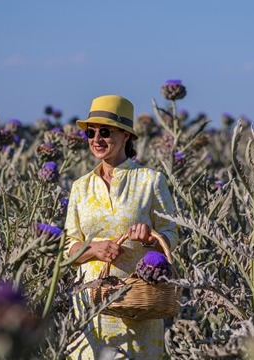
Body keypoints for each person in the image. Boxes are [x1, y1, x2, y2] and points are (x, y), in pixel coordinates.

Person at [64, 94, 178, 359]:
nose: (96, 139)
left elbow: (171, 233)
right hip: (90, 308)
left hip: (138, 305)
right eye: (90, 133)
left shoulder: (150, 181)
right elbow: (69, 250)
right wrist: (93, 249)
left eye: (105, 131)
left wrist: (151, 239)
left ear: (126, 135)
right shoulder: (80, 187)